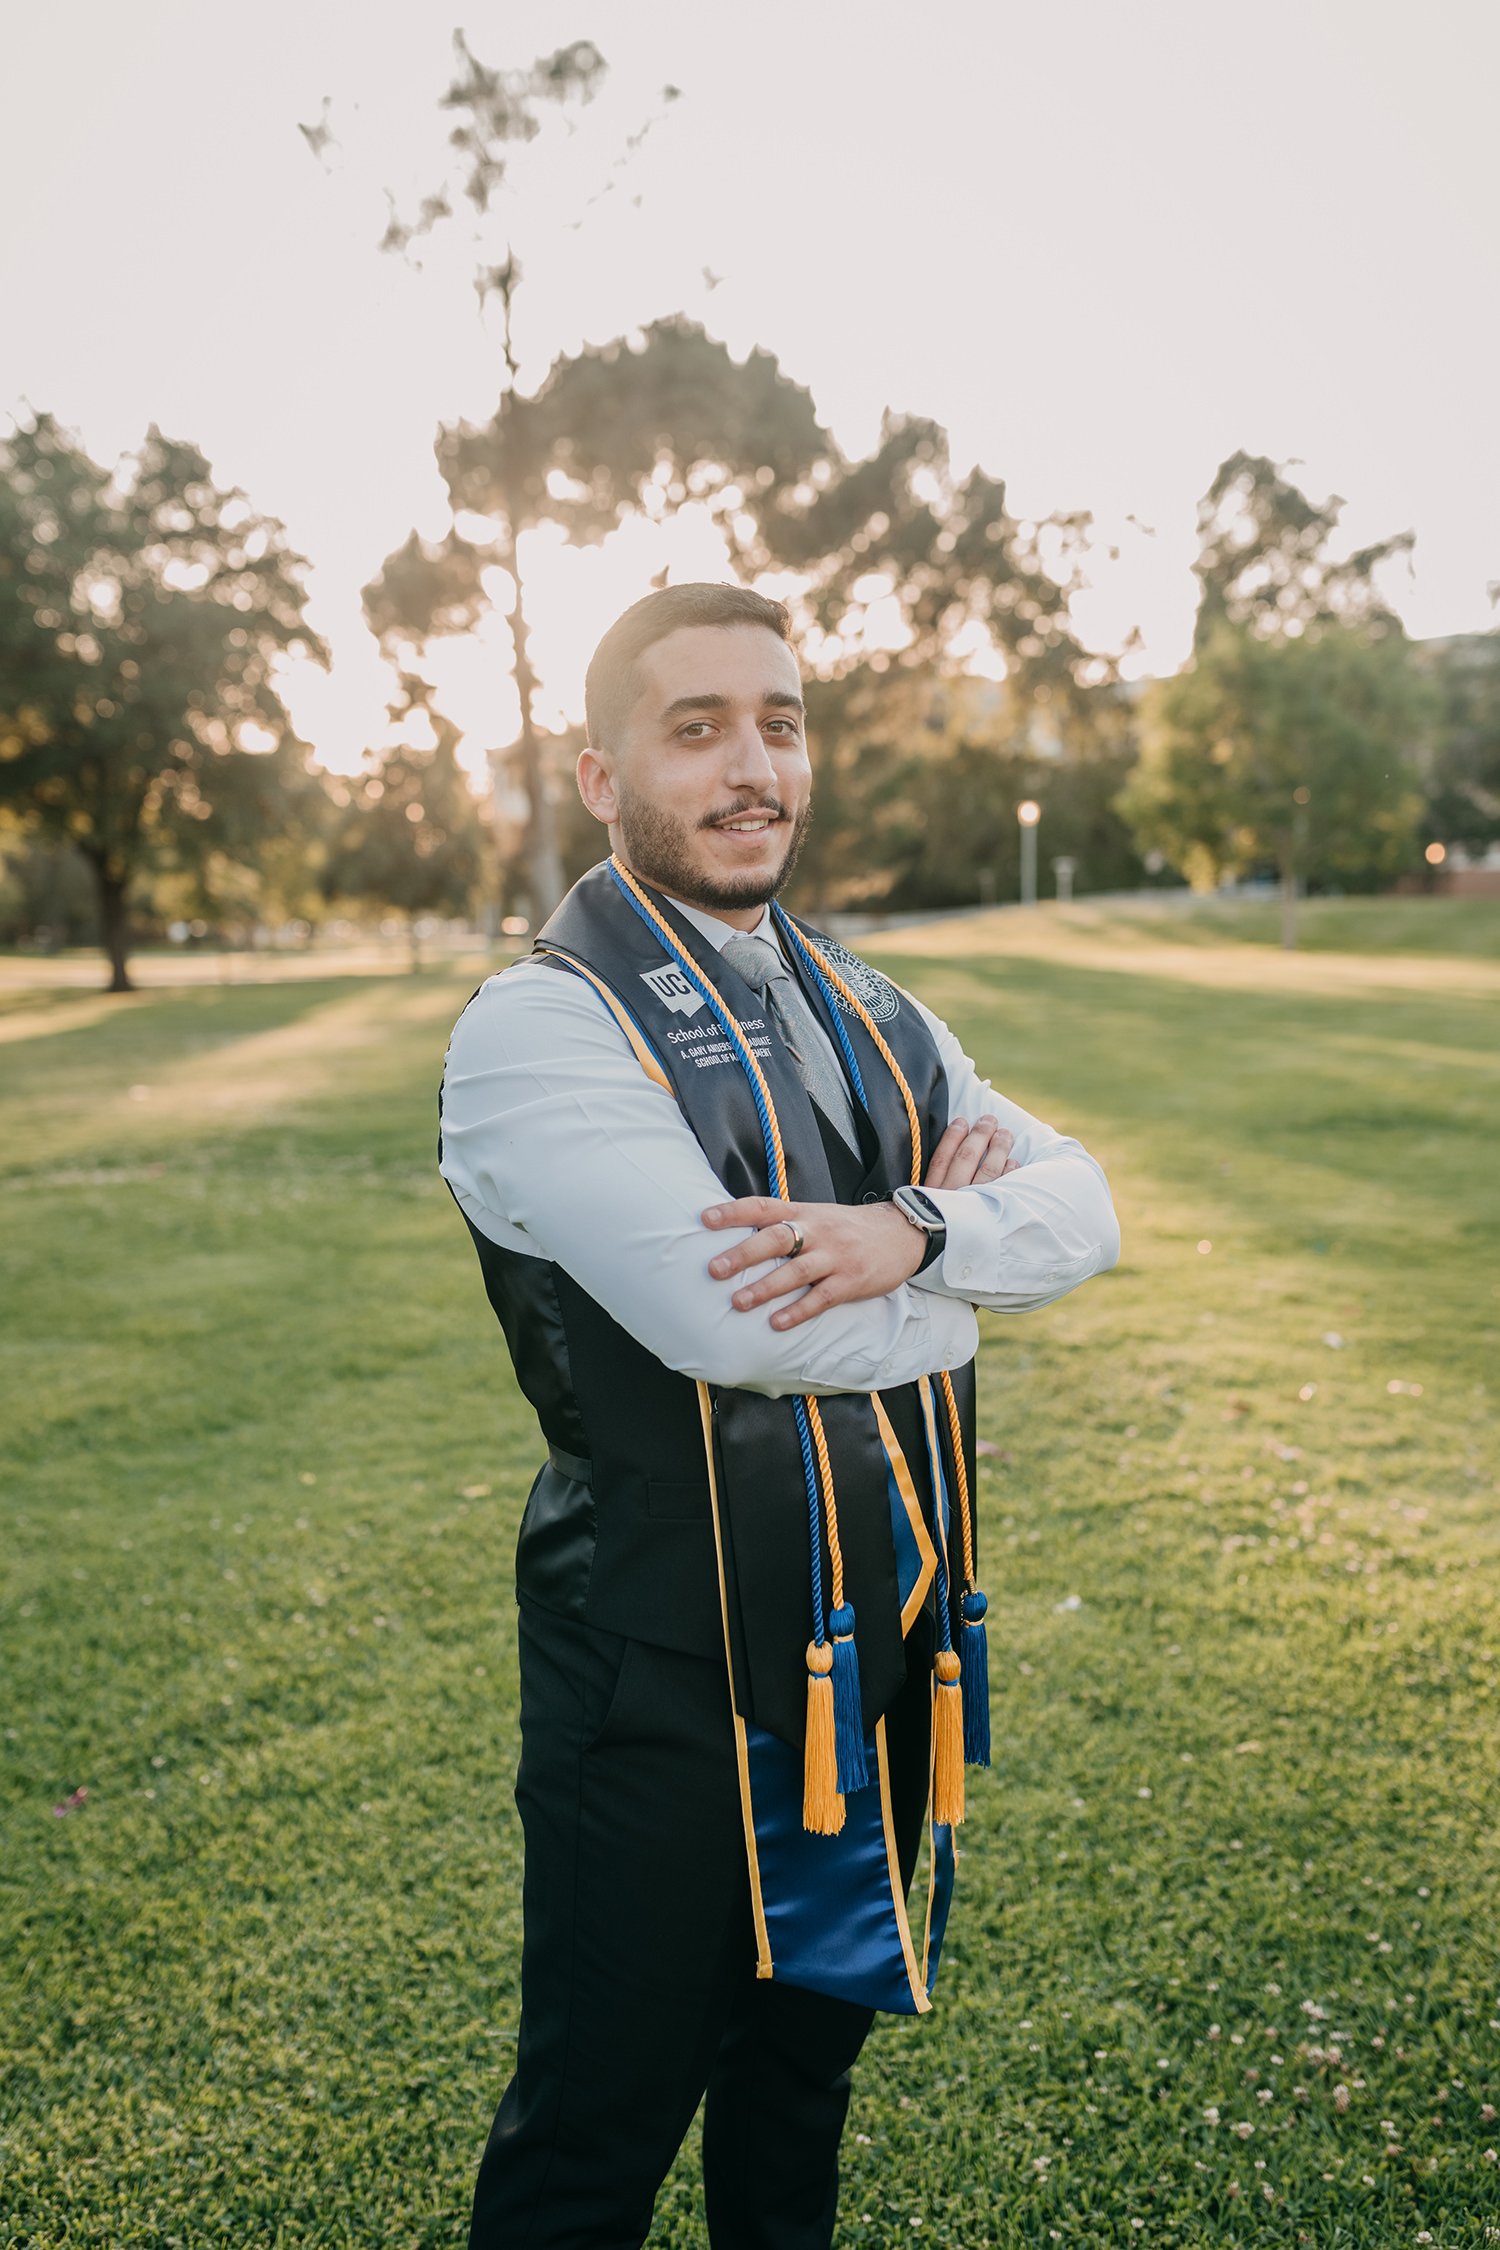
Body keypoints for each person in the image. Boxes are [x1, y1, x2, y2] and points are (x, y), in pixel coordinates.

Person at [438, 581, 1119, 2249]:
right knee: (596, 2143)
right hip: (658, 1684)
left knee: (797, 2089)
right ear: (601, 778)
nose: (755, 769)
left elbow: (1088, 1206)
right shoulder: (542, 1023)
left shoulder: (873, 1007)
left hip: (870, 1652)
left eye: (781, 723)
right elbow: (739, 1327)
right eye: (698, 730)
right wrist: (970, 1269)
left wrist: (909, 1230)